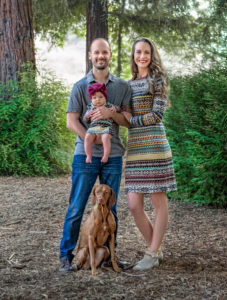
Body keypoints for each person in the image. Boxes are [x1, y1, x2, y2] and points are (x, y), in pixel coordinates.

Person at [59, 38, 131, 272]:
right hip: (85, 155)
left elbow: (128, 120)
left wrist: (112, 114)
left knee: (111, 206)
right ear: (90, 55)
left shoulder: (121, 87)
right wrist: (89, 139)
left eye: (105, 52)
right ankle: (67, 255)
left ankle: (111, 256)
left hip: (113, 155)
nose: (101, 56)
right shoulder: (80, 86)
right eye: (96, 53)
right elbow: (71, 120)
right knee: (77, 206)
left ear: (110, 55)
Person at [122, 38, 177, 271]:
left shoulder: (158, 79)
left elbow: (157, 115)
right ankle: (155, 248)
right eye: (138, 52)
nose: (142, 56)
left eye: (146, 52)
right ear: (133, 55)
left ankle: (152, 253)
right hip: (135, 148)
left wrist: (131, 120)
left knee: (158, 200)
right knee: (134, 204)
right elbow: (122, 115)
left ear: (152, 55)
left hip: (154, 144)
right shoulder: (127, 84)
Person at [84, 82, 121, 163]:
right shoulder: (90, 108)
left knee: (105, 138)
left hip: (106, 127)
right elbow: (86, 120)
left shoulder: (108, 105)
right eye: (94, 98)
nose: (98, 100)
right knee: (87, 137)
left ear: (105, 97)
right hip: (93, 128)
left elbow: (118, 108)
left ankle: (105, 155)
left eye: (101, 97)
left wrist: (115, 108)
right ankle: (88, 156)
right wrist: (87, 116)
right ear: (91, 99)